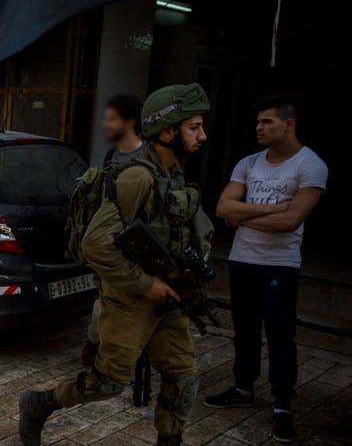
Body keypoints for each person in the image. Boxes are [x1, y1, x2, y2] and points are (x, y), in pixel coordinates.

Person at [20, 83, 213, 446]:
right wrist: (147, 285)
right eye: (194, 127)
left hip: (167, 297)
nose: (202, 135)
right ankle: (40, 403)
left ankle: (169, 440)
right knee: (108, 382)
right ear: (167, 131)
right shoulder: (137, 178)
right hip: (131, 298)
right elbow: (96, 245)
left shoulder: (173, 175)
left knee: (183, 375)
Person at [204, 96, 326, 444]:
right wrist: (270, 210)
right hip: (243, 260)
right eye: (258, 122)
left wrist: (244, 216)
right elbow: (223, 206)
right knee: (243, 330)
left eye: (267, 122)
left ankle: (282, 405)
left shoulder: (310, 165)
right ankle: (243, 388)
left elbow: (291, 221)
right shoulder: (249, 163)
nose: (259, 128)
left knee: (279, 334)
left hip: (279, 265)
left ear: (289, 124)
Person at [81, 94, 145, 365]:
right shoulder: (111, 155)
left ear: (129, 122)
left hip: (135, 243)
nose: (106, 124)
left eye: (112, 119)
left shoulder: (145, 159)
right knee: (104, 302)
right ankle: (95, 350)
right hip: (109, 242)